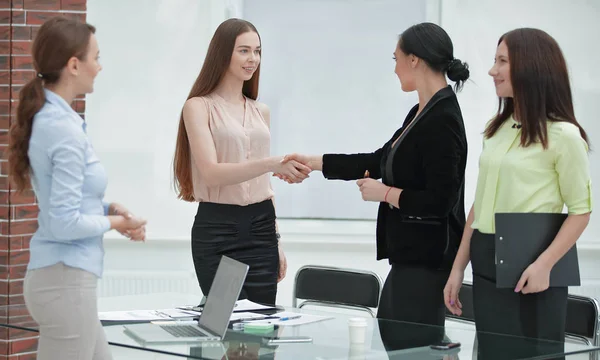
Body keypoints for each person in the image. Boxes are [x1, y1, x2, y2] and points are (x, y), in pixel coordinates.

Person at [281, 22, 470, 326]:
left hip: (428, 260)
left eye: (396, 59)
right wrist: (314, 162)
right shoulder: (421, 112)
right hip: (411, 258)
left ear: (414, 60)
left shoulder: (443, 118)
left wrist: (385, 194)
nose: (395, 69)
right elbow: (379, 160)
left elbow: (439, 201)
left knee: (405, 341)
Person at [9, 17, 147, 360]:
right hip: (65, 283)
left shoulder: (59, 122)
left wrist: (109, 210)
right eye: (96, 58)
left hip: (64, 282)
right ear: (74, 64)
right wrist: (119, 224)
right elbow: (64, 223)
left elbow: (70, 203)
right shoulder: (62, 130)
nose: (100, 67)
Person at [444, 28, 592, 344]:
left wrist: (544, 265)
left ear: (530, 67)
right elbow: (480, 204)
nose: (491, 70)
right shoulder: (495, 130)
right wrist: (458, 268)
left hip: (533, 266)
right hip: (486, 256)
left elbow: (581, 212)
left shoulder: (564, 136)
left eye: (501, 61)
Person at [172, 18, 310, 306]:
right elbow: (211, 173)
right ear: (223, 53)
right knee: (227, 328)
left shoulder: (261, 111)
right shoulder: (198, 107)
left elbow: (265, 186)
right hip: (218, 230)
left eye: (257, 51)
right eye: (244, 51)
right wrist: (271, 163)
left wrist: (277, 241)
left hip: (262, 229)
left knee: (261, 329)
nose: (253, 59)